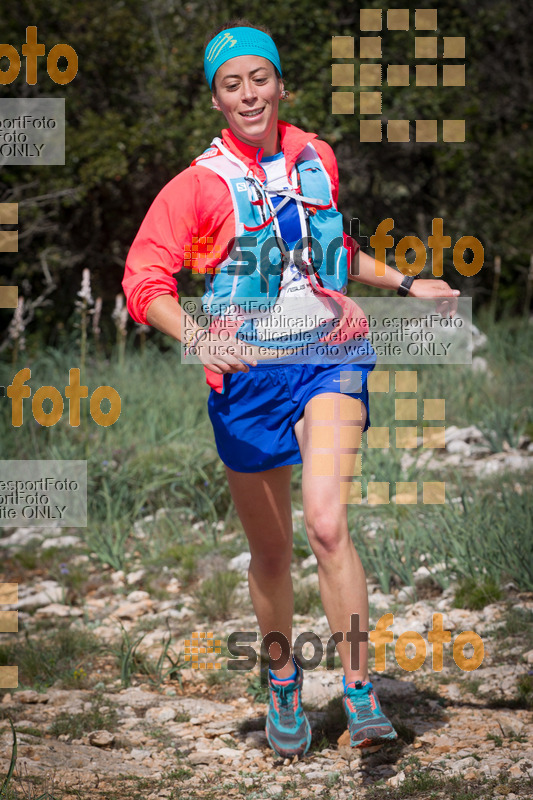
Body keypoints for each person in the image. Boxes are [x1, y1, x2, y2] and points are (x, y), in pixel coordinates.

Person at [122, 19, 460, 759]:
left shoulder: (316, 156)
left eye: (259, 78)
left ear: (281, 84)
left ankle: (360, 693)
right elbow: (142, 282)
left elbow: (329, 257)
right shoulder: (197, 187)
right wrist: (203, 337)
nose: (249, 94)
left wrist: (406, 281)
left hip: (329, 355)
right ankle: (281, 685)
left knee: (327, 524)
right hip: (246, 378)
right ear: (216, 99)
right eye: (231, 84)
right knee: (271, 553)